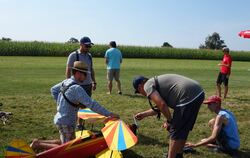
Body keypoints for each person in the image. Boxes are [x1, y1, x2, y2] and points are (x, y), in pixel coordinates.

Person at [133, 74, 205, 158]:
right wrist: (143, 114)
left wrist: (170, 121)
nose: (142, 94)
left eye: (139, 92)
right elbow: (160, 107)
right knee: (182, 129)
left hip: (187, 96)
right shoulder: (156, 83)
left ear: (140, 86)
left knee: (175, 131)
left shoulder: (147, 86)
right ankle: (178, 154)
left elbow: (162, 105)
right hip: (198, 93)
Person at [52, 61, 119, 144]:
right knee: (67, 149)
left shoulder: (66, 82)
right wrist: (109, 114)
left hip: (63, 119)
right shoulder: (76, 88)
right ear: (78, 73)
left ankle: (38, 143)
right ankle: (38, 144)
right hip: (66, 122)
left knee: (69, 143)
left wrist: (61, 103)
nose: (86, 77)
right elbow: (92, 104)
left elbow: (54, 90)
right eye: (85, 74)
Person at [66, 36, 97, 129]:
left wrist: (94, 82)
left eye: (89, 46)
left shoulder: (89, 56)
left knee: (85, 107)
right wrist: (68, 84)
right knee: (74, 106)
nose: (88, 48)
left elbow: (91, 69)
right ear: (81, 44)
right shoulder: (73, 55)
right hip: (76, 85)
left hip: (87, 85)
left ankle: (80, 125)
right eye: (87, 46)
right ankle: (71, 124)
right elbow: (68, 70)